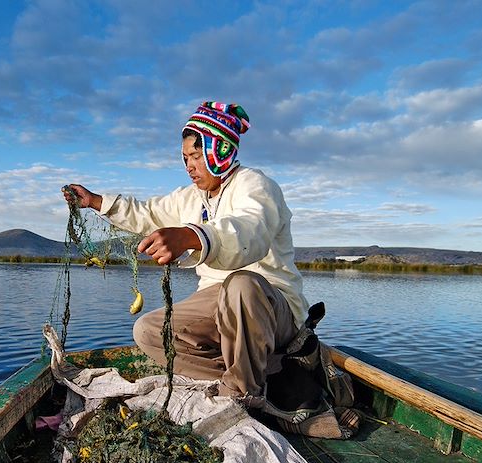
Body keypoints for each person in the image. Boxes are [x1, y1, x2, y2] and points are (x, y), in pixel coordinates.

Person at [63, 101, 308, 399]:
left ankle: (243, 393)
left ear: (220, 151)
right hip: (216, 301)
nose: (189, 165)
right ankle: (261, 371)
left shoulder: (256, 186)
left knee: (241, 284)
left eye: (196, 155)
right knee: (149, 332)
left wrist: (191, 236)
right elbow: (146, 213)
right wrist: (96, 201)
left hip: (270, 306)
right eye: (184, 157)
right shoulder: (190, 198)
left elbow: (249, 231)